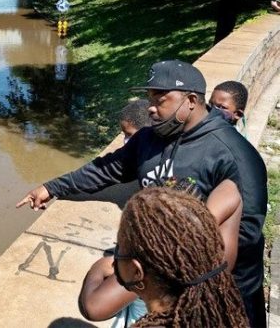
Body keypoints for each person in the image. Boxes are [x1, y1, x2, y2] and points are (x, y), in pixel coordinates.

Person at [16, 60, 268, 327]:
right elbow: (104, 170)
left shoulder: (234, 154)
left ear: (191, 100)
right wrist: (52, 188)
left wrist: (178, 265)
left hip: (222, 285)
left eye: (160, 100)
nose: (151, 107)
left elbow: (247, 230)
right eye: (150, 98)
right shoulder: (148, 139)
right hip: (159, 274)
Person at [79, 178, 241, 326]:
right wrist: (192, 232)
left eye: (119, 247)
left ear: (137, 272)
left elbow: (93, 307)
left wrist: (100, 266)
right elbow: (231, 190)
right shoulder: (214, 265)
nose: (115, 257)